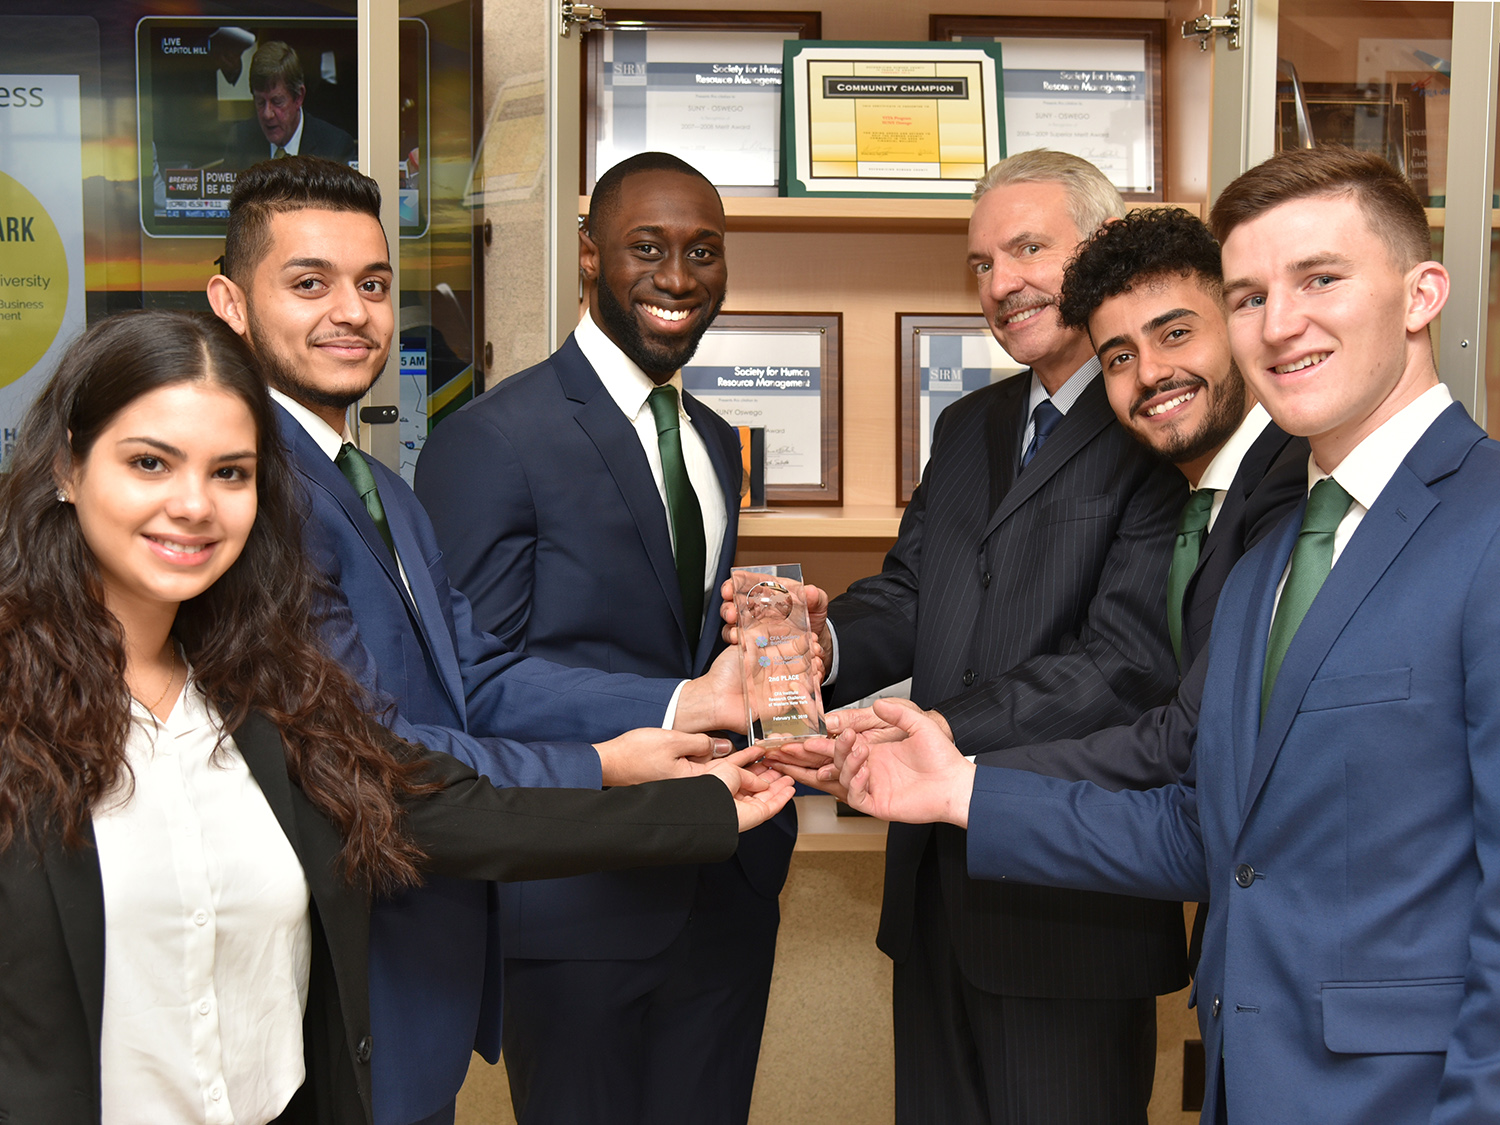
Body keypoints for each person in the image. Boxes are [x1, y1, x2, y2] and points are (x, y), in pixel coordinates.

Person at [0, 309, 794, 1125]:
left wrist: (702, 806)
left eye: (230, 472)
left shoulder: (263, 683)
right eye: (149, 462)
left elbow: (439, 806)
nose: (194, 504)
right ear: (67, 465)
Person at [830, 147, 1490, 1125]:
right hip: (1251, 1070)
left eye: (1321, 280)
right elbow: (1205, 822)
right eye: (1253, 296)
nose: (1282, 322)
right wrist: (954, 786)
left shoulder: (1475, 527)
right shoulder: (1273, 555)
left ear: (1421, 293)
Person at [205, 155, 756, 1125]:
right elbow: (372, 752)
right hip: (339, 982)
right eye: (309, 283)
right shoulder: (254, 497)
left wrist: (684, 705)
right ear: (230, 303)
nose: (353, 312)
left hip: (421, 966)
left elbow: (483, 675)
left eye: (373, 284)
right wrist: (604, 766)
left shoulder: (384, 493)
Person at [763, 150, 1189, 1124]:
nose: (1002, 284)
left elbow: (1125, 666)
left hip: (1072, 913)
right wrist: (819, 648)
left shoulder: (1159, 423)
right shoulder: (967, 424)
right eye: (982, 264)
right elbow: (914, 590)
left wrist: (920, 734)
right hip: (936, 903)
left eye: (1028, 248)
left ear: (1106, 252)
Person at [412, 151, 794, 1125]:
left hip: (726, 884)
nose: (678, 278)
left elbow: (680, 631)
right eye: (647, 249)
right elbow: (470, 681)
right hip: (579, 901)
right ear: (589, 259)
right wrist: (680, 704)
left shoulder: (712, 437)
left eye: (703, 251)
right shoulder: (490, 440)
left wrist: (772, 665)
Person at [223, 42, 356, 169]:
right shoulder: (240, 140)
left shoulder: (335, 148)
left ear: (299, 97)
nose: (267, 114)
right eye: (260, 102)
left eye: (277, 102)